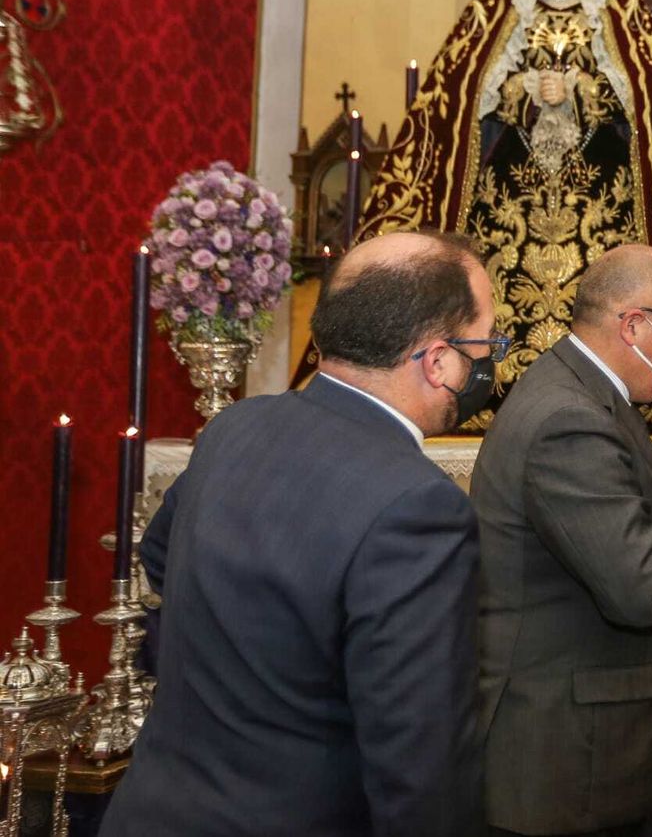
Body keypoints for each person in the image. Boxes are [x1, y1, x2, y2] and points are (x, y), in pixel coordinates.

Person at [103, 231, 493, 837]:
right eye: (483, 343)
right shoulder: (420, 506)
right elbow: (422, 767)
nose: (487, 360)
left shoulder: (236, 425)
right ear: (439, 360)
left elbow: (159, 556)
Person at [473, 244, 652, 837]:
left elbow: (619, 532)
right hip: (569, 759)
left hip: (589, 748)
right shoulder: (568, 418)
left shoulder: (585, 391)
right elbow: (641, 586)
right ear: (634, 325)